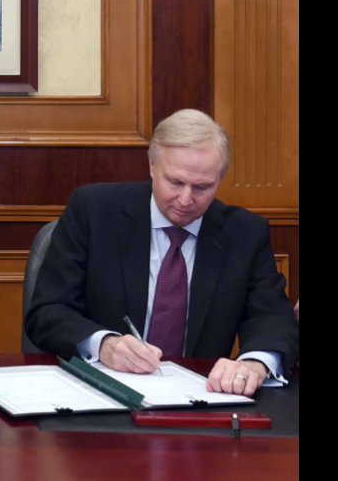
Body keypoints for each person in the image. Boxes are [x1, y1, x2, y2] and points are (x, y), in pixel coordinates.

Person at [25, 109, 299, 396]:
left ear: (220, 179)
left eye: (202, 187)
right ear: (153, 166)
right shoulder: (94, 211)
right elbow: (48, 311)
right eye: (175, 182)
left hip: (199, 400)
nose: (185, 199)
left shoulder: (244, 233)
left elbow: (272, 319)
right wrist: (104, 344)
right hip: (100, 395)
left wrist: (254, 364)